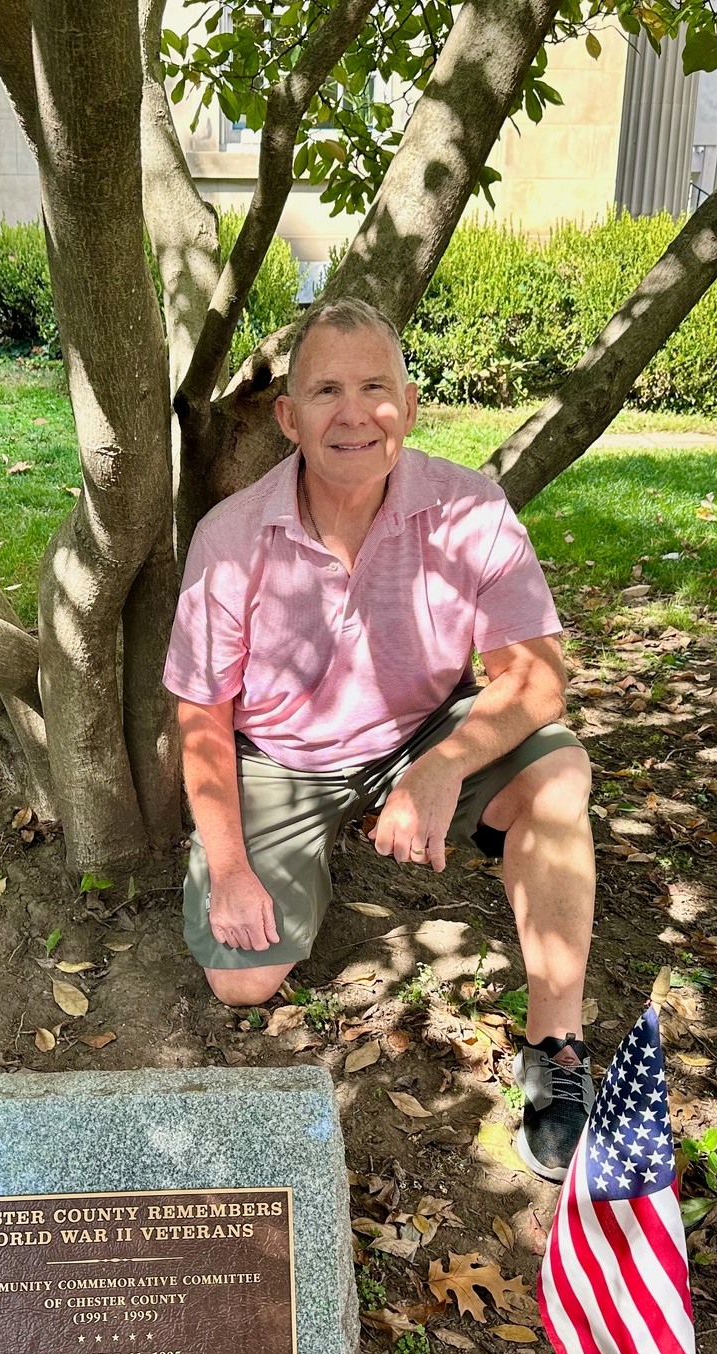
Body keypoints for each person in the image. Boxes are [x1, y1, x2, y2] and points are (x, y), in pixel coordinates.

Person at [164, 296, 596, 1182]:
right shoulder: (231, 539)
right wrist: (233, 868)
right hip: (281, 756)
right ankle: (315, 845)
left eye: (375, 387)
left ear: (409, 402)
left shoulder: (469, 510)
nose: (354, 413)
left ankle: (557, 1047)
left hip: (421, 730)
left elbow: (538, 679)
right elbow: (200, 717)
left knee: (559, 773)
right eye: (325, 390)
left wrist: (440, 768)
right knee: (243, 981)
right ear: (288, 417)